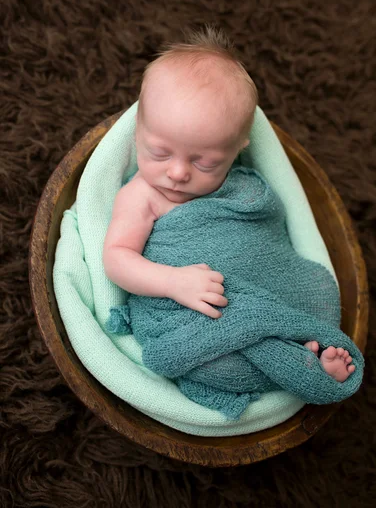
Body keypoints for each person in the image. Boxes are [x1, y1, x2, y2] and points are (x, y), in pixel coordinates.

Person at [103, 26, 355, 383]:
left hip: (260, 289)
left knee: (321, 292)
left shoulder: (241, 188)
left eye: (204, 163)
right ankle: (294, 364)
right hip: (186, 311)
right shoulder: (142, 194)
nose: (176, 173)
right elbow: (117, 258)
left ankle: (295, 342)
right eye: (159, 152)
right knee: (209, 363)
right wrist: (173, 282)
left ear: (238, 150)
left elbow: (269, 240)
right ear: (138, 131)